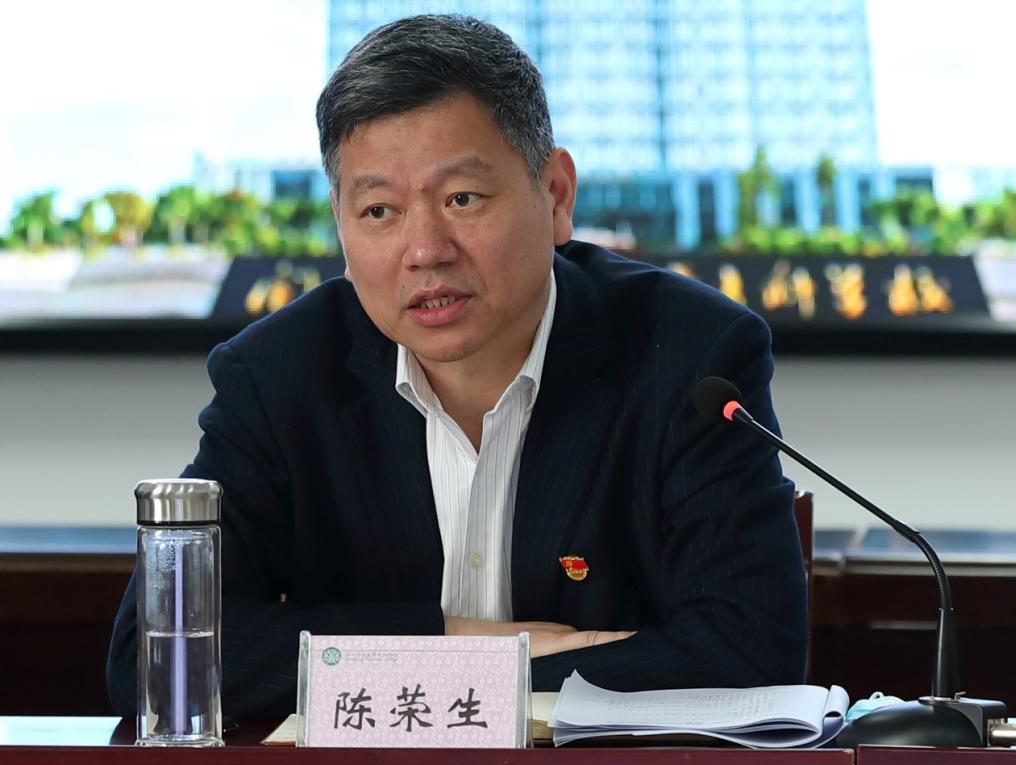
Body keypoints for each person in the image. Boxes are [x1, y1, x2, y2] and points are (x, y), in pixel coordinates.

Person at [108, 14, 807, 720]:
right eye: (379, 210)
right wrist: (473, 646)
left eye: (462, 199)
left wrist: (366, 662)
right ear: (341, 225)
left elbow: (751, 651)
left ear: (556, 195)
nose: (424, 251)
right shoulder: (277, 375)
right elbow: (158, 655)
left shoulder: (690, 357)